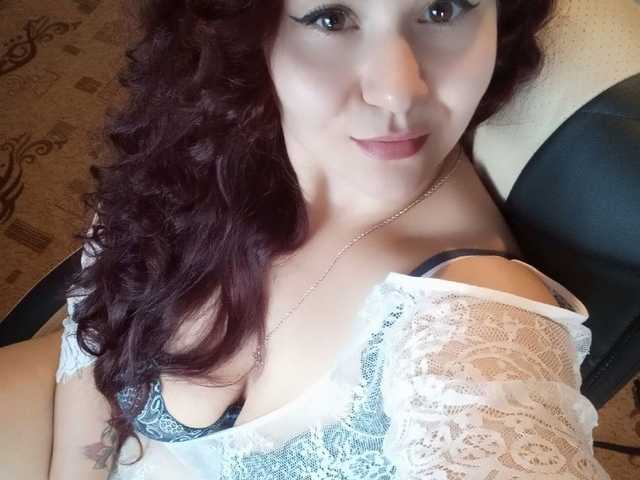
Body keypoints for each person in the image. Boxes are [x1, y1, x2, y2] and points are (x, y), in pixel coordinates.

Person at [1, 0, 611, 478]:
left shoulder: (476, 315)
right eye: (331, 17)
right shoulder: (203, 132)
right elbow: (95, 332)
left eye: (442, 8)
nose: (397, 91)